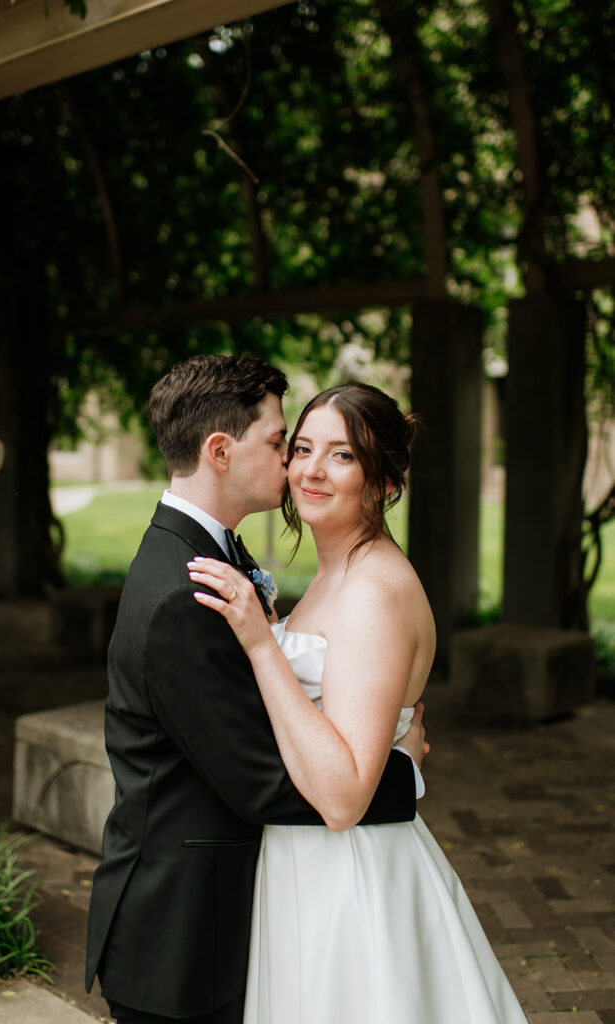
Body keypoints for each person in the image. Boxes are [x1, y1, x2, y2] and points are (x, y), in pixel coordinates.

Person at [85, 356, 428, 1024]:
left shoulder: (213, 556)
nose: (295, 466)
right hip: (182, 938)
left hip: (237, 907)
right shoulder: (187, 594)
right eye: (285, 444)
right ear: (220, 451)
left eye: (330, 454)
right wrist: (400, 772)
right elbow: (261, 781)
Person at [190, 382, 529, 1024]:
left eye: (342, 455)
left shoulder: (373, 589)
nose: (311, 470)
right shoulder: (335, 573)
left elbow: (345, 798)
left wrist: (264, 645)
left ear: (383, 484)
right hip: (304, 861)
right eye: (303, 448)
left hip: (350, 875)